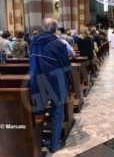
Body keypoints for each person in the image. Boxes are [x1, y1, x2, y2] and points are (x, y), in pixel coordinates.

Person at [30, 18, 71, 153]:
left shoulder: (34, 42)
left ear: (42, 28)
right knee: (57, 113)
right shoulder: (58, 44)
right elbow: (66, 65)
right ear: (55, 29)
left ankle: (38, 141)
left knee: (39, 112)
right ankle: (53, 145)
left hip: (37, 80)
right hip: (55, 82)